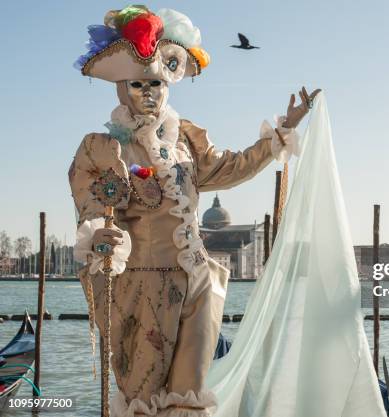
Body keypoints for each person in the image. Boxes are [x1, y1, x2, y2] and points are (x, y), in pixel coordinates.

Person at [69, 6, 319, 416]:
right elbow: (91, 205)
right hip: (143, 283)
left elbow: (230, 167)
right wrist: (98, 235)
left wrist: (282, 132)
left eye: (157, 83)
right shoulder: (102, 147)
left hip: (197, 282)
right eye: (138, 83)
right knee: (142, 393)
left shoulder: (186, 138)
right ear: (120, 86)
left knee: (190, 393)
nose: (149, 92)